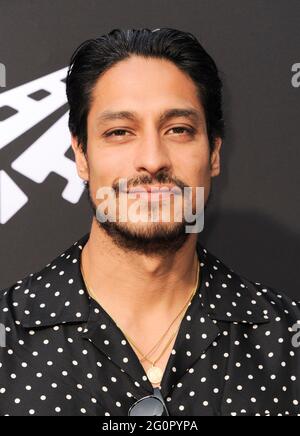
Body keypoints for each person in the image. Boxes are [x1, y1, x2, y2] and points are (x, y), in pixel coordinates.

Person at [0, 28, 299, 416]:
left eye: (178, 130)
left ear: (213, 154)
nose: (153, 159)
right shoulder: (9, 336)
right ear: (81, 155)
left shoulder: (286, 341)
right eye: (120, 132)